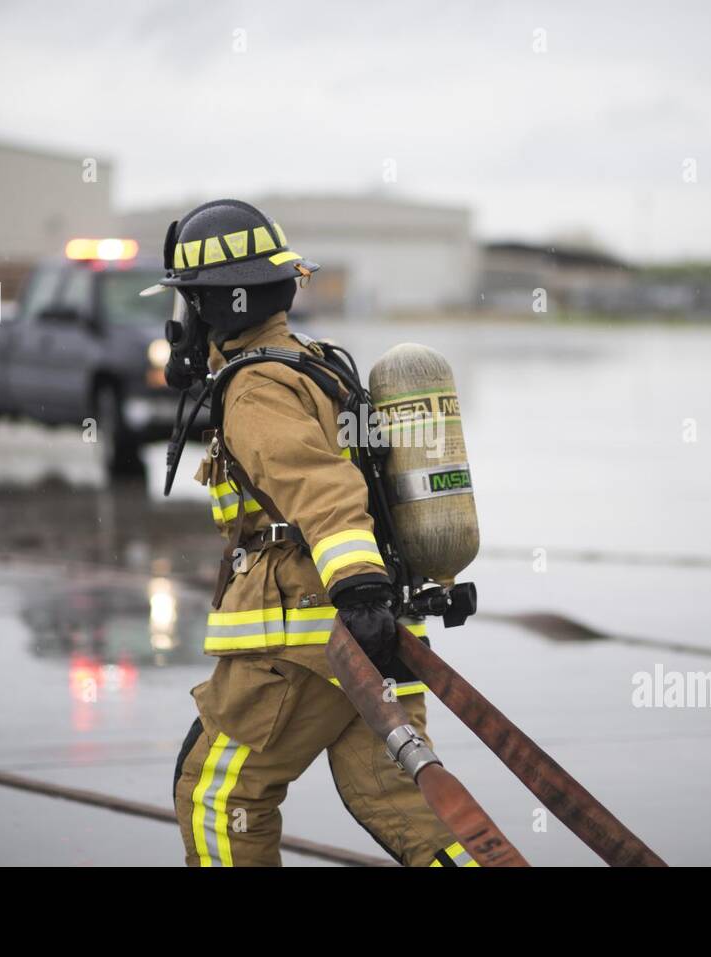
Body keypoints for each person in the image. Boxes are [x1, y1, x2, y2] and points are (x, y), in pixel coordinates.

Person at [163, 199, 474, 867]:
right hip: (375, 636)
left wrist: (358, 592)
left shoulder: (255, 389)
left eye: (190, 302)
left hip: (306, 643)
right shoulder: (316, 364)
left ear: (216, 304)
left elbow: (324, 492)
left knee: (216, 796)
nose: (182, 320)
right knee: (410, 811)